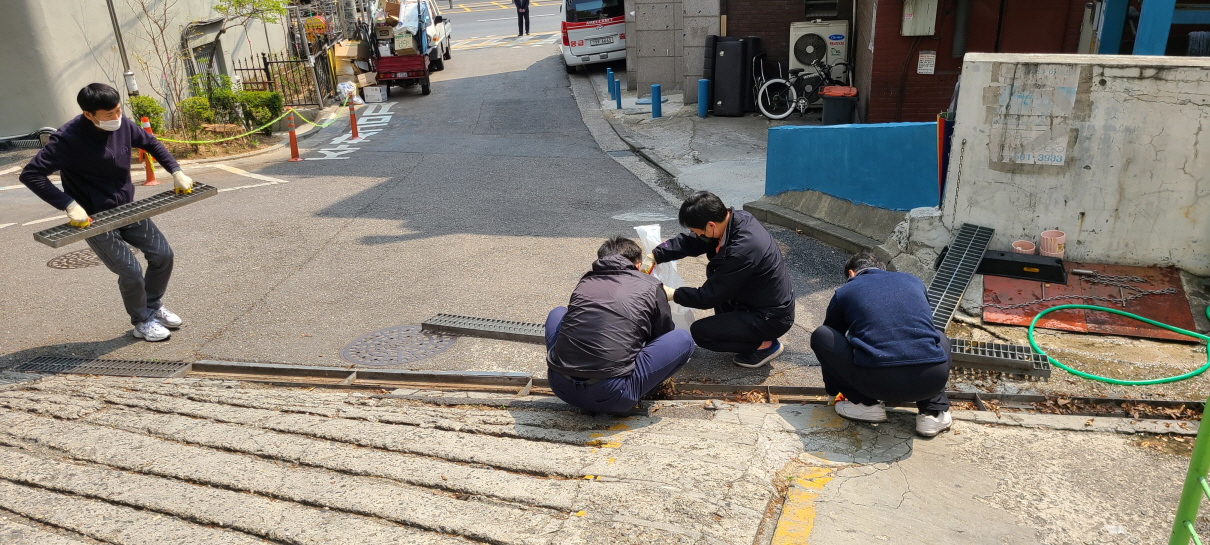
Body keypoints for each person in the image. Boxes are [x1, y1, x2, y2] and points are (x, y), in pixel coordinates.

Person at [20, 83, 194, 343]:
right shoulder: (67, 139)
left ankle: (153, 306)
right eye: (109, 114)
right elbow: (31, 174)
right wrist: (68, 204)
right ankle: (142, 321)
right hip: (94, 218)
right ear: (88, 114)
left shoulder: (123, 125)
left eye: (118, 110)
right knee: (130, 271)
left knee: (163, 255)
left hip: (128, 208)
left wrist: (176, 171)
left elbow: (151, 143)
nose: (117, 117)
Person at [546, 236, 696, 414]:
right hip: (613, 396)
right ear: (638, 266)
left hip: (561, 388)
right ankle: (645, 390)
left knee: (557, 313)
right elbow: (662, 335)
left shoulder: (585, 281)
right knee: (683, 339)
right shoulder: (651, 285)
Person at [810, 252, 953, 437]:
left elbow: (830, 343)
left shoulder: (845, 291)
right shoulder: (914, 281)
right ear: (883, 269)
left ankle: (864, 405)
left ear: (851, 273)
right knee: (939, 336)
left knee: (822, 335)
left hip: (876, 384)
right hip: (931, 381)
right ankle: (933, 413)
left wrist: (833, 392)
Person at [651, 191, 795, 368]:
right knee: (720, 311)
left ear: (710, 225)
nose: (694, 234)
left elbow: (709, 295)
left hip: (770, 317)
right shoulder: (733, 220)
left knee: (701, 333)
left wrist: (672, 294)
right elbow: (691, 241)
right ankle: (749, 332)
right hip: (754, 299)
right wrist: (656, 254)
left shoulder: (743, 249)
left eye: (696, 230)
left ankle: (764, 345)